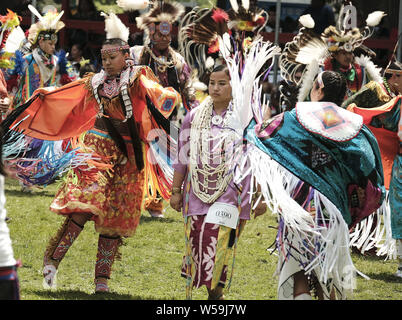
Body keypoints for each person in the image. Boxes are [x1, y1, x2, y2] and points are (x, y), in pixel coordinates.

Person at [1, 12, 181, 293]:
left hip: (129, 155)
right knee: (84, 206)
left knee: (114, 217)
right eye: (104, 58)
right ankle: (53, 258)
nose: (106, 62)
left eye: (112, 57)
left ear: (125, 56)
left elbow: (159, 96)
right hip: (95, 150)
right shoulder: (94, 82)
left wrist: (169, 97)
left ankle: (102, 280)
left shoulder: (137, 78)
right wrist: (47, 96)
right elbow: (69, 97)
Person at [170, 64, 267, 300]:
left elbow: (260, 157)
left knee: (219, 245)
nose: (215, 88)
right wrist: (176, 190)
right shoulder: (194, 117)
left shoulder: (246, 119)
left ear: (235, 86)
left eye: (222, 83)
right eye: (212, 83)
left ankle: (216, 296)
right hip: (197, 193)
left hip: (232, 194)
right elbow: (182, 157)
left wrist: (261, 194)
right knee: (198, 243)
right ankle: (214, 296)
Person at [118, 0, 199, 218]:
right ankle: (128, 201)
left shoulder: (178, 61)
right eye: (160, 35)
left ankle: (154, 204)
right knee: (134, 160)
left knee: (159, 161)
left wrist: (197, 111)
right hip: (137, 117)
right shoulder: (136, 55)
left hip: (164, 121)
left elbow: (188, 91)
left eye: (167, 35)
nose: (164, 38)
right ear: (151, 34)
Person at [344, 60, 401, 269]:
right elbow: (348, 107)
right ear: (392, 76)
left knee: (376, 194)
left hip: (382, 151)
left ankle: (365, 241)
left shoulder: (395, 97)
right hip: (362, 147)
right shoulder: (375, 88)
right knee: (365, 192)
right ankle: (359, 240)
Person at [279, 5, 385, 103]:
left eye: (350, 53)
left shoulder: (361, 73)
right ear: (334, 54)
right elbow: (309, 98)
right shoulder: (320, 71)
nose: (348, 56)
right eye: (343, 53)